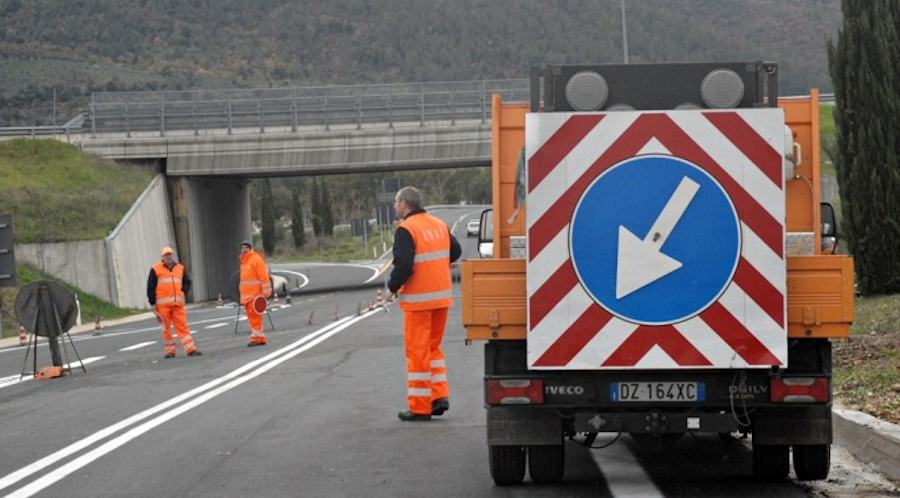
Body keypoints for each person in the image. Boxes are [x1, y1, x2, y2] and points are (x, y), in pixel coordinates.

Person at [387, 186, 461, 422]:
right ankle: (438, 396)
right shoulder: (439, 224)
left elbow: (404, 265)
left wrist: (391, 287)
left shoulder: (406, 229)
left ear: (404, 204)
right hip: (441, 298)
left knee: (418, 351)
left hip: (419, 301)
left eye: (396, 202)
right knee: (433, 349)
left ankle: (420, 407)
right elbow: (455, 251)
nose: (394, 206)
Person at [147, 246, 201, 358]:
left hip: (177, 304)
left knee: (182, 326)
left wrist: (183, 291)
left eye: (170, 254)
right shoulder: (155, 269)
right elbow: (151, 287)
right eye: (166, 255)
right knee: (166, 329)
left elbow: (187, 282)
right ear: (162, 257)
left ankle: (190, 349)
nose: (168, 257)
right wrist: (152, 303)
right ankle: (170, 351)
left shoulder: (180, 268)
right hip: (163, 306)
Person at [239, 240, 272, 346]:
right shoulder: (244, 261)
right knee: (252, 317)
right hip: (247, 296)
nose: (244, 249)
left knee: (255, 317)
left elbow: (263, 276)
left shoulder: (256, 259)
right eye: (242, 248)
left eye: (246, 247)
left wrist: (266, 291)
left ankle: (256, 338)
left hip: (255, 294)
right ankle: (259, 337)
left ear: (250, 248)